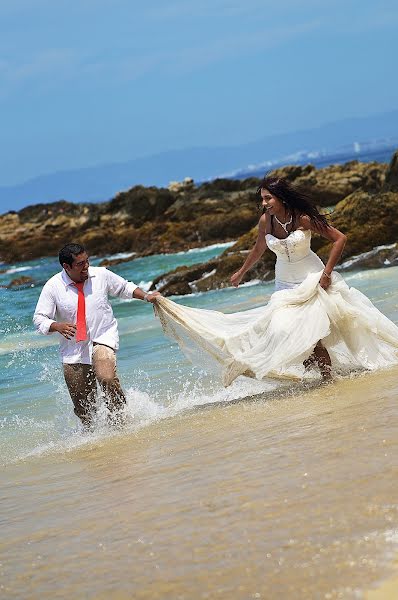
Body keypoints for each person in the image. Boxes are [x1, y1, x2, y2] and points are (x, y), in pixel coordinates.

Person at [153, 176, 398, 386]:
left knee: (313, 331)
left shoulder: (302, 219)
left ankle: (328, 381)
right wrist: (241, 272)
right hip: (284, 284)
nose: (264, 203)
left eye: (268, 198)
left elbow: (339, 239)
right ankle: (311, 369)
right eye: (262, 199)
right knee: (281, 327)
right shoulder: (266, 221)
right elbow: (259, 249)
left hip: (312, 278)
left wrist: (326, 274)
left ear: (280, 198)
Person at [33, 243, 160, 428]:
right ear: (66, 266)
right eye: (80, 264)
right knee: (85, 409)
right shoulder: (53, 286)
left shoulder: (100, 274)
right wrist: (56, 325)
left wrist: (147, 296)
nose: (86, 267)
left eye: (87, 261)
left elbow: (124, 287)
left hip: (103, 338)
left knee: (106, 377)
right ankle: (96, 443)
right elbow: (39, 318)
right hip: (73, 350)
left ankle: (121, 424)